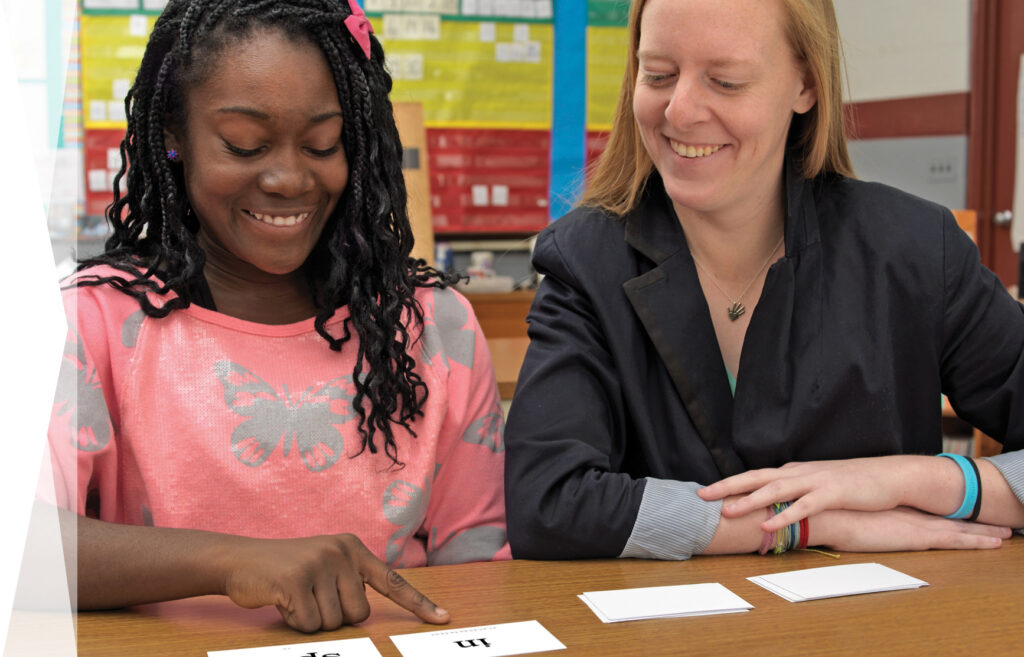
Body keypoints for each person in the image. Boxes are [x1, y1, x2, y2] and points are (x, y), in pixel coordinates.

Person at [47, 0, 510, 633]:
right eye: (245, 145)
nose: (289, 178)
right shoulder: (95, 321)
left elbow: (480, 565)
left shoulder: (433, 326)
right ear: (173, 137)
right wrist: (231, 562)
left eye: (324, 144)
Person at [504, 0, 1024, 561]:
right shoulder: (585, 259)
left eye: (726, 82)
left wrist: (912, 482)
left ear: (806, 84)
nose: (679, 111)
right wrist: (803, 523)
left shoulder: (915, 248)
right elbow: (548, 503)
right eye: (658, 75)